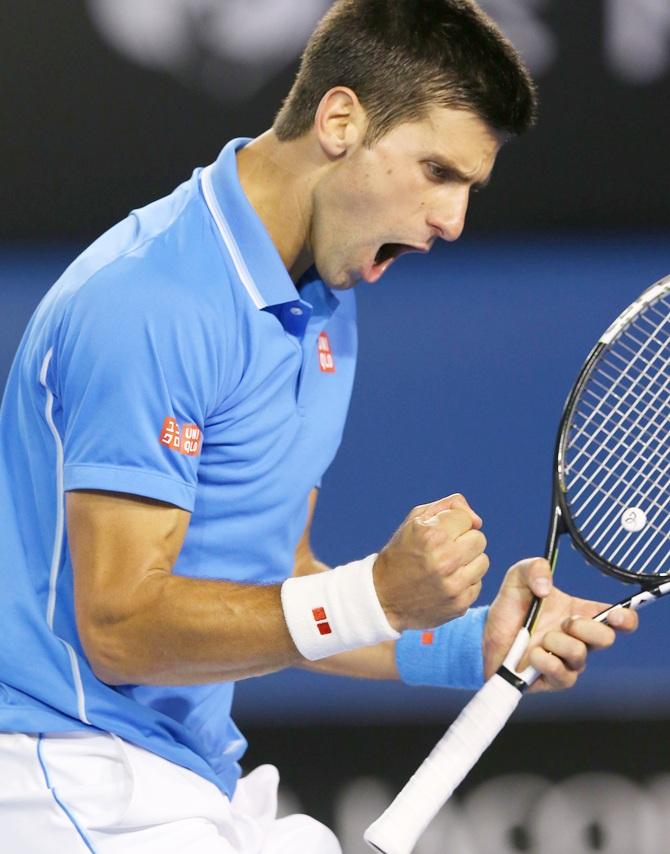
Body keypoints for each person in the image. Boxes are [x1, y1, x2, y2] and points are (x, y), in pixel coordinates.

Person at [0, 0, 637, 851]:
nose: (453, 223)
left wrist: (468, 645)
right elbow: (119, 629)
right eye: (437, 172)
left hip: (186, 777)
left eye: (469, 190)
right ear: (340, 120)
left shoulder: (328, 306)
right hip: (63, 773)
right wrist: (372, 593)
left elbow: (280, 585)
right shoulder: (150, 303)